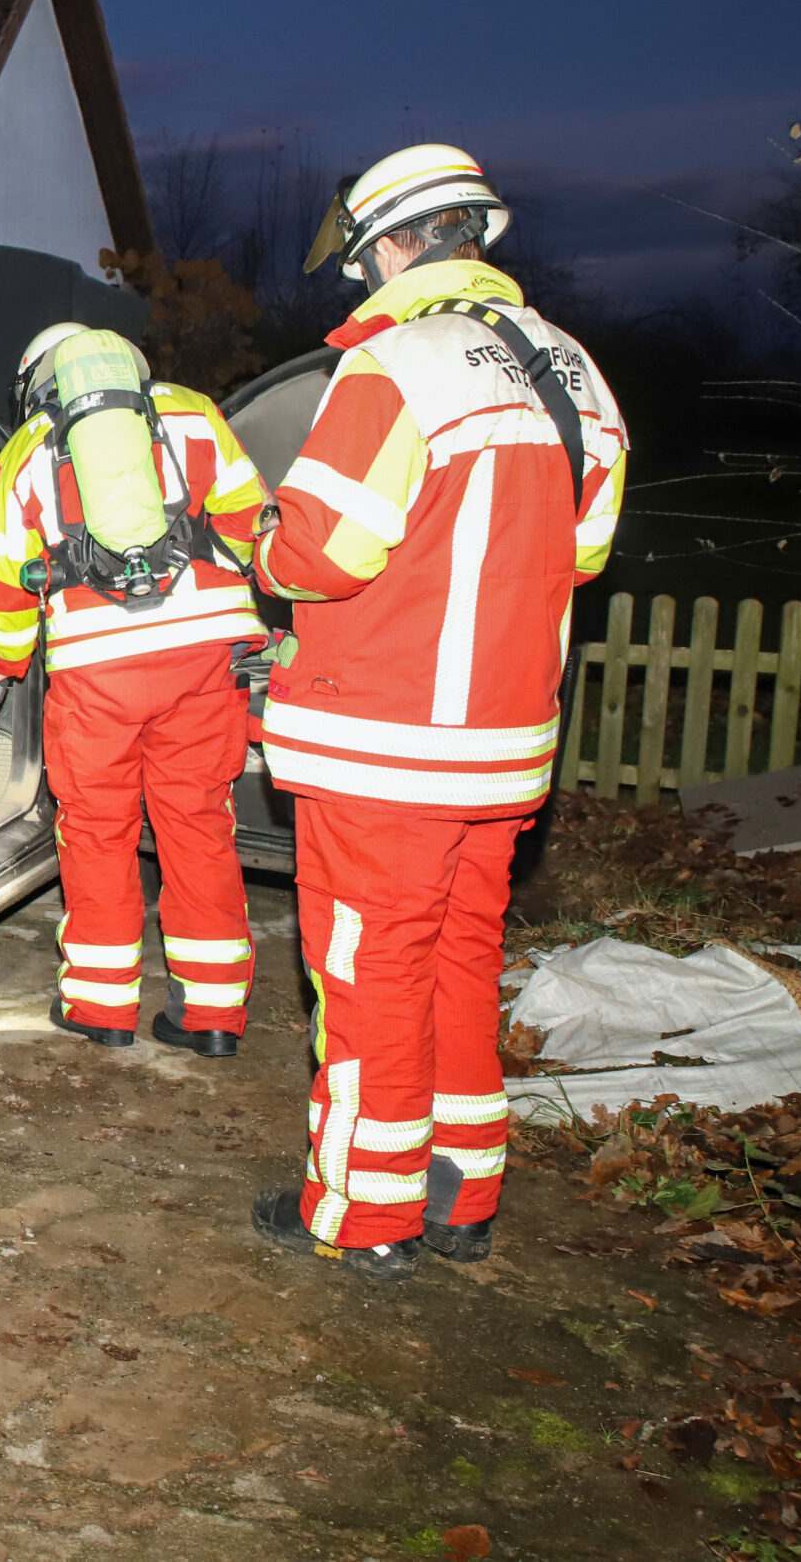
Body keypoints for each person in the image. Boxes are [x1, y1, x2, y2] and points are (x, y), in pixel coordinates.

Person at [249, 143, 627, 1279]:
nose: (360, 277)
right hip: (504, 751)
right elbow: (587, 549)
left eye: (364, 257)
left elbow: (323, 552)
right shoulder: (573, 371)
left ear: (401, 244)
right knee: (462, 962)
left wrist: (261, 537)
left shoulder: (394, 367)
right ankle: (463, 1195)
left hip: (385, 751)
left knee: (368, 978)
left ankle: (362, 1217)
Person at [0, 326, 270, 1055]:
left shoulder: (24, 451)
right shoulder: (192, 413)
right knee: (198, 825)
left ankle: (101, 1007)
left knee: (98, 832)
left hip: (97, 670)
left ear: (37, 381)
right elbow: (252, 521)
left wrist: (6, 664)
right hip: (202, 659)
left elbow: (9, 581)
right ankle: (213, 1017)